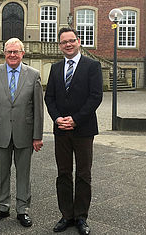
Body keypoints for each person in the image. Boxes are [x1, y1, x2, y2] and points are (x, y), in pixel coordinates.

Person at [44, 28, 103, 235]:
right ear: (59, 45)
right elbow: (49, 97)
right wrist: (57, 118)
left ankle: (81, 217)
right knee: (63, 173)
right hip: (61, 130)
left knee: (84, 174)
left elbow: (95, 97)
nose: (68, 45)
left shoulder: (92, 66)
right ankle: (66, 215)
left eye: (71, 41)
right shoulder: (55, 67)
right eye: (63, 42)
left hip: (84, 129)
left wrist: (76, 119)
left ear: (79, 42)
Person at [0, 38, 44, 228]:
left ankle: (22, 209)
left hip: (25, 133)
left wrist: (37, 136)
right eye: (9, 52)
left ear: (23, 54)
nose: (12, 55)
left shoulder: (33, 75)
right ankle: (2, 206)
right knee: (1, 173)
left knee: (23, 173)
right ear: (4, 53)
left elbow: (38, 109)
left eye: (16, 52)